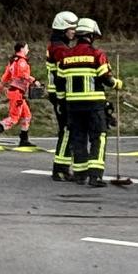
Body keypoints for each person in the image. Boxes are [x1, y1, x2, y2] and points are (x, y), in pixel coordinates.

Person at [58, 17, 116, 185]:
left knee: (78, 138)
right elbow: (107, 79)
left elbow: (61, 83)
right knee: (99, 137)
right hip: (94, 106)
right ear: (91, 36)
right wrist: (117, 83)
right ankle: (95, 175)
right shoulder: (97, 55)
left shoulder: (66, 56)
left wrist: (62, 103)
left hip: (73, 107)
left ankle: (80, 174)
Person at [0, 42, 36, 148]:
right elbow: (22, 74)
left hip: (17, 93)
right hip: (17, 93)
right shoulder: (21, 61)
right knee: (14, 118)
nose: (28, 50)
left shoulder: (13, 61)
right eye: (27, 48)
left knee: (26, 116)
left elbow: (5, 76)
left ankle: (24, 139)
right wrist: (33, 80)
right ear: (22, 49)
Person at [48, 10, 78, 180]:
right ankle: (60, 168)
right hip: (61, 95)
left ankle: (62, 166)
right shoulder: (59, 49)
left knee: (67, 130)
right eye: (71, 28)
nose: (74, 32)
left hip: (59, 94)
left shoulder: (58, 46)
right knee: (67, 130)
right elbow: (62, 75)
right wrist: (61, 98)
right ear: (63, 29)